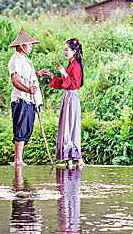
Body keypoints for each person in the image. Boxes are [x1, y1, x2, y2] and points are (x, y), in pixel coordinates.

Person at [8, 28, 47, 166]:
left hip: (30, 98)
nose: (31, 47)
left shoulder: (24, 59)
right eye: (29, 44)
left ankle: (20, 159)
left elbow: (26, 75)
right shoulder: (15, 59)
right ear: (21, 45)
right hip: (22, 98)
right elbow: (15, 81)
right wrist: (28, 90)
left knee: (28, 127)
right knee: (21, 126)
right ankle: (17, 160)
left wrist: (38, 73)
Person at [43, 38, 85, 168]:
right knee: (67, 124)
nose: (65, 52)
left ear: (74, 51)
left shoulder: (76, 66)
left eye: (67, 50)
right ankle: (72, 159)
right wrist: (53, 76)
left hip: (71, 98)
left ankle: (73, 158)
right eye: (64, 50)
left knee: (70, 125)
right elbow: (63, 84)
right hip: (67, 97)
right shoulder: (70, 65)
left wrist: (64, 74)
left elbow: (74, 85)